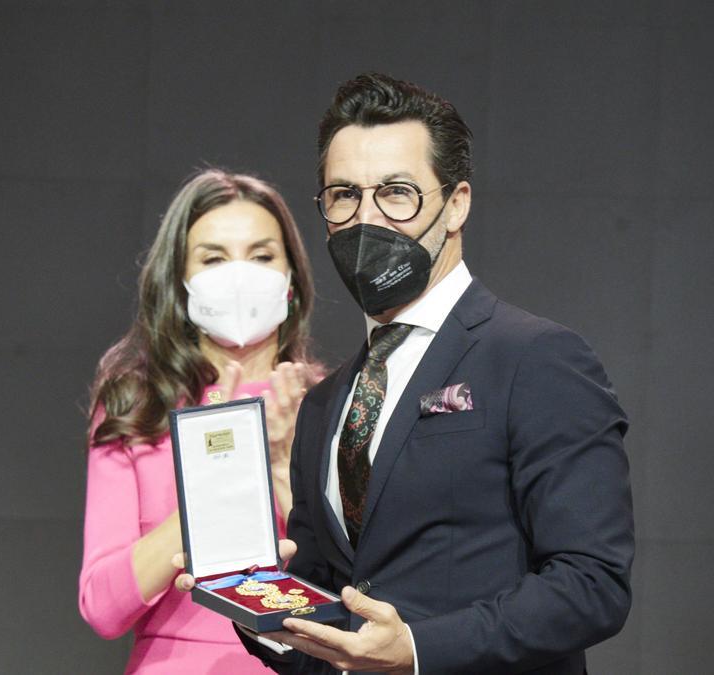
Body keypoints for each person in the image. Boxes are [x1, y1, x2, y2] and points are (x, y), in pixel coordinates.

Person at [178, 73, 634, 674]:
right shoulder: (326, 403)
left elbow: (593, 583)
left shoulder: (534, 358)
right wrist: (263, 616)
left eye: (396, 192)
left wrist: (418, 650)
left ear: (456, 204)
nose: (367, 219)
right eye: (344, 194)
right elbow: (330, 607)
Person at [79, 169, 325, 673]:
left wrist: (284, 471)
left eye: (261, 256)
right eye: (214, 258)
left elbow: (362, 588)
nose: (240, 275)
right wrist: (209, 489)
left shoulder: (330, 403)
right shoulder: (137, 405)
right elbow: (102, 607)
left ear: (291, 282)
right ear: (182, 284)